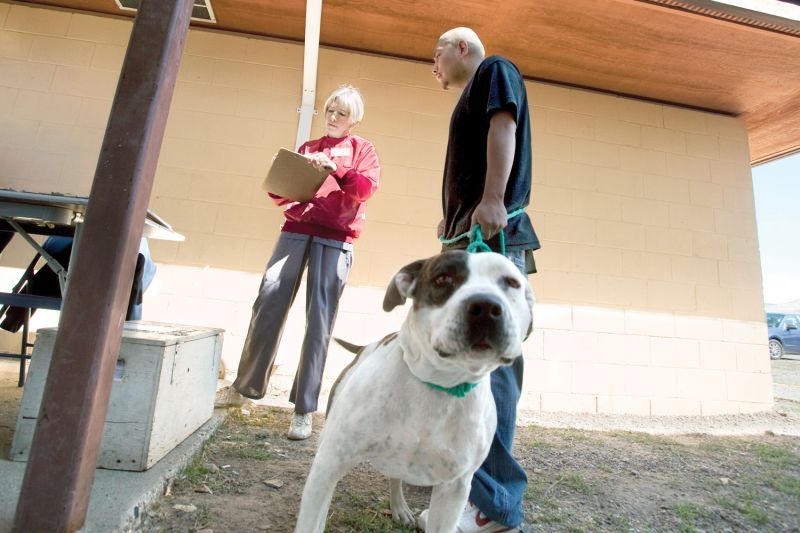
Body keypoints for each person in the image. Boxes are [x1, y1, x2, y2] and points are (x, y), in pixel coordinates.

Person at [422, 27, 540, 532]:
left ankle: (494, 508)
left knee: (492, 365)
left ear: (461, 48)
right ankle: (464, 484)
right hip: (469, 240)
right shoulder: (471, 91)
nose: (435, 66)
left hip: (492, 236)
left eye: (437, 55)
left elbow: (503, 125)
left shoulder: (495, 70)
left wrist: (492, 198)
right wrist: (450, 225)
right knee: (461, 364)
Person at [225, 85, 380, 440]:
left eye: (341, 113)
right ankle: (244, 387)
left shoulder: (362, 150)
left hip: (336, 239)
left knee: (319, 319)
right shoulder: (308, 148)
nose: (333, 117)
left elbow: (365, 190)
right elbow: (283, 191)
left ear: (353, 119)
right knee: (268, 300)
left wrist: (336, 170)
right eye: (330, 110)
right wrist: (283, 175)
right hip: (296, 230)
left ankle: (303, 409)